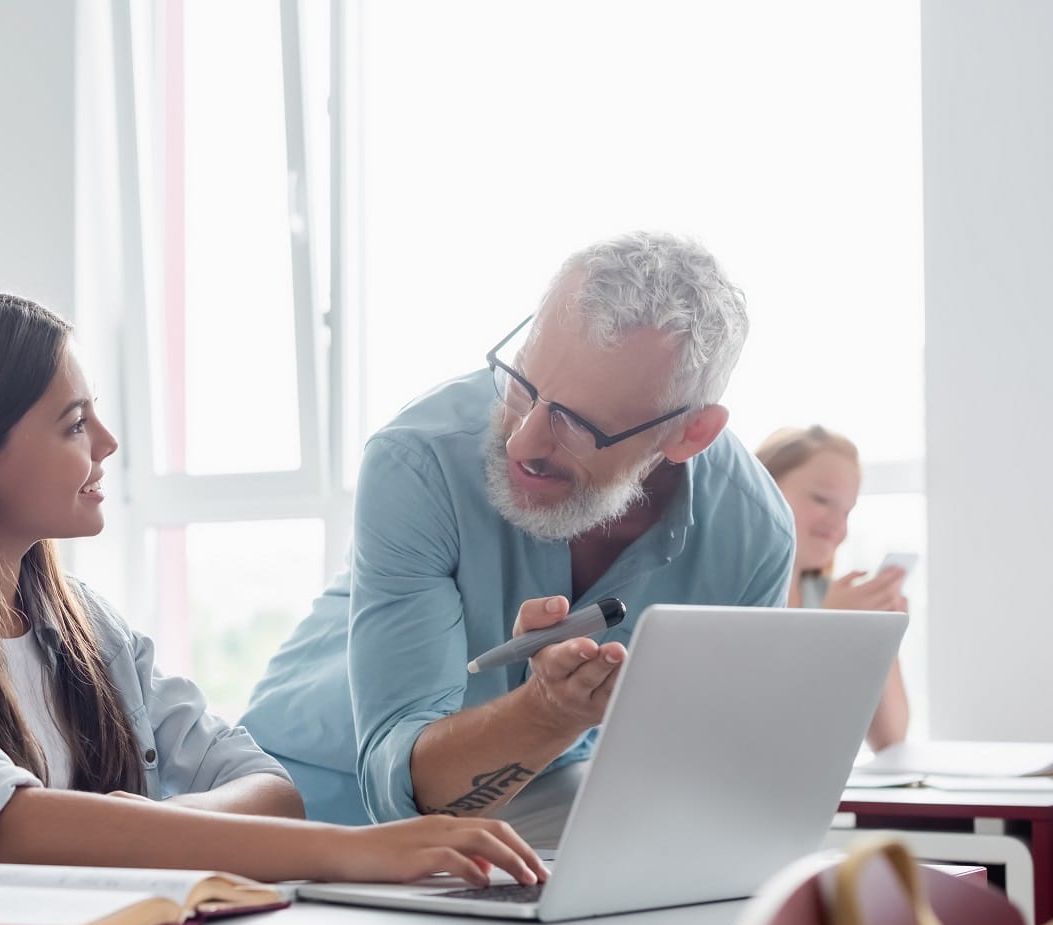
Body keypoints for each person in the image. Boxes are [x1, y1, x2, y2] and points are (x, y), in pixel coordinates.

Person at [0, 289, 546, 891]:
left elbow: (268, 788)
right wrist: (352, 852)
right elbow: (4, 824)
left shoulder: (92, 631)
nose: (108, 444)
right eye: (75, 423)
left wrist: (143, 827)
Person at [239, 232, 796, 843]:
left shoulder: (754, 535)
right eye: (522, 384)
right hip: (309, 801)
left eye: (579, 424)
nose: (523, 442)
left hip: (523, 808)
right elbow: (397, 799)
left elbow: (705, 780)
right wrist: (547, 713)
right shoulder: (420, 461)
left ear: (690, 434)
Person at [755, 425, 909, 750]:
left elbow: (891, 739)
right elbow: (757, 717)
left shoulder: (822, 594)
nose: (838, 527)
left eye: (848, 511)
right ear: (762, 485)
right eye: (821, 500)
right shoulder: (734, 588)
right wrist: (825, 623)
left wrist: (883, 636)